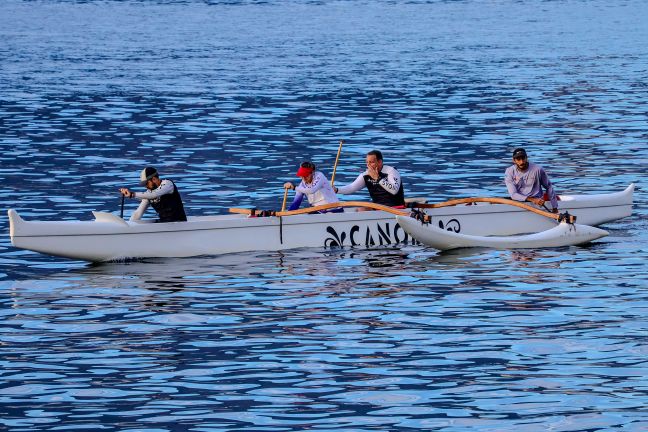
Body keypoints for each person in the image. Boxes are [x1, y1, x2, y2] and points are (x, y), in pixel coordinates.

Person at [334, 149, 405, 207]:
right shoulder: (366, 175)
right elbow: (352, 187)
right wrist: (337, 190)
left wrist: (378, 178)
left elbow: (394, 190)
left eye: (371, 162)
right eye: (367, 163)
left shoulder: (391, 171)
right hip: (378, 208)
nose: (368, 165)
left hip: (396, 208)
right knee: (360, 210)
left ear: (380, 162)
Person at [119, 167, 187, 222]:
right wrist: (129, 225)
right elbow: (138, 213)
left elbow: (154, 195)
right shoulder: (149, 193)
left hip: (179, 223)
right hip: (165, 224)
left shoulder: (168, 184)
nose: (145, 186)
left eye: (146, 183)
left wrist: (132, 194)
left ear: (154, 179)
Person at [505, 148, 558, 213]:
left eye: (523, 158)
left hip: (538, 203)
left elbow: (548, 186)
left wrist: (554, 207)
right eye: (518, 159)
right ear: (514, 160)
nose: (521, 162)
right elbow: (513, 194)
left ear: (526, 158)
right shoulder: (509, 172)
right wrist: (532, 200)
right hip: (519, 201)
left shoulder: (538, 169)